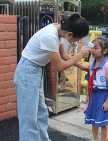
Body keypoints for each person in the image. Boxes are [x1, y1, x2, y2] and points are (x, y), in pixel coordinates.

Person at [13, 13, 90, 141]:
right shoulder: (50, 36)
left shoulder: (58, 30)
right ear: (69, 34)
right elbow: (59, 67)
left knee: (41, 113)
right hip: (27, 71)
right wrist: (79, 55)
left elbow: (63, 54)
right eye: (76, 40)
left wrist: (80, 66)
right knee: (29, 118)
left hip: (35, 71)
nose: (75, 42)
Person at [85, 37, 108, 141]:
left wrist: (107, 101)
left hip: (103, 96)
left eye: (96, 48)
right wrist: (87, 95)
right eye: (92, 47)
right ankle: (95, 139)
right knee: (94, 120)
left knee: (103, 122)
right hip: (93, 96)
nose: (92, 50)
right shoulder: (91, 65)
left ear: (105, 51)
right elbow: (89, 81)